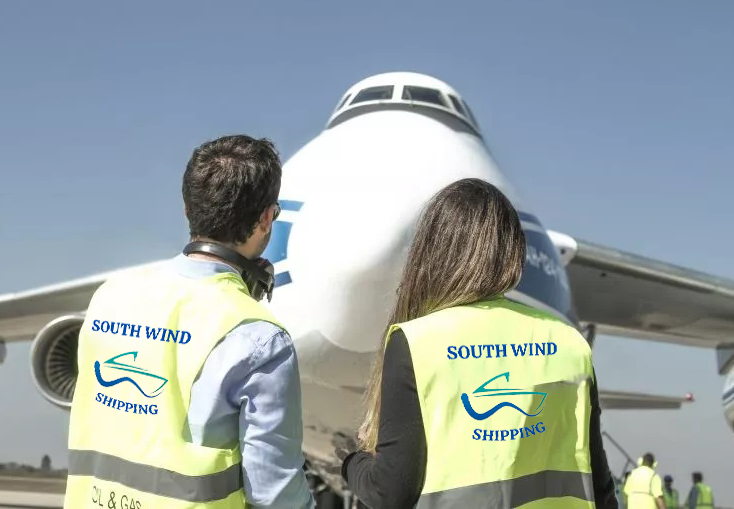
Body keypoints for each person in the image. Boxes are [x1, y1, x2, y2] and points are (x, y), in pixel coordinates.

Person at [63, 135, 314, 508]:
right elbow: (275, 494)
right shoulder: (257, 336)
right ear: (266, 218)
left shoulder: (109, 297)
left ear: (186, 208)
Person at [338, 178, 618, 508]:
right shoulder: (569, 343)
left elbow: (391, 492)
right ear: (513, 250)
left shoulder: (417, 342)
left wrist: (350, 462)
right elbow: (599, 486)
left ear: (433, 250)